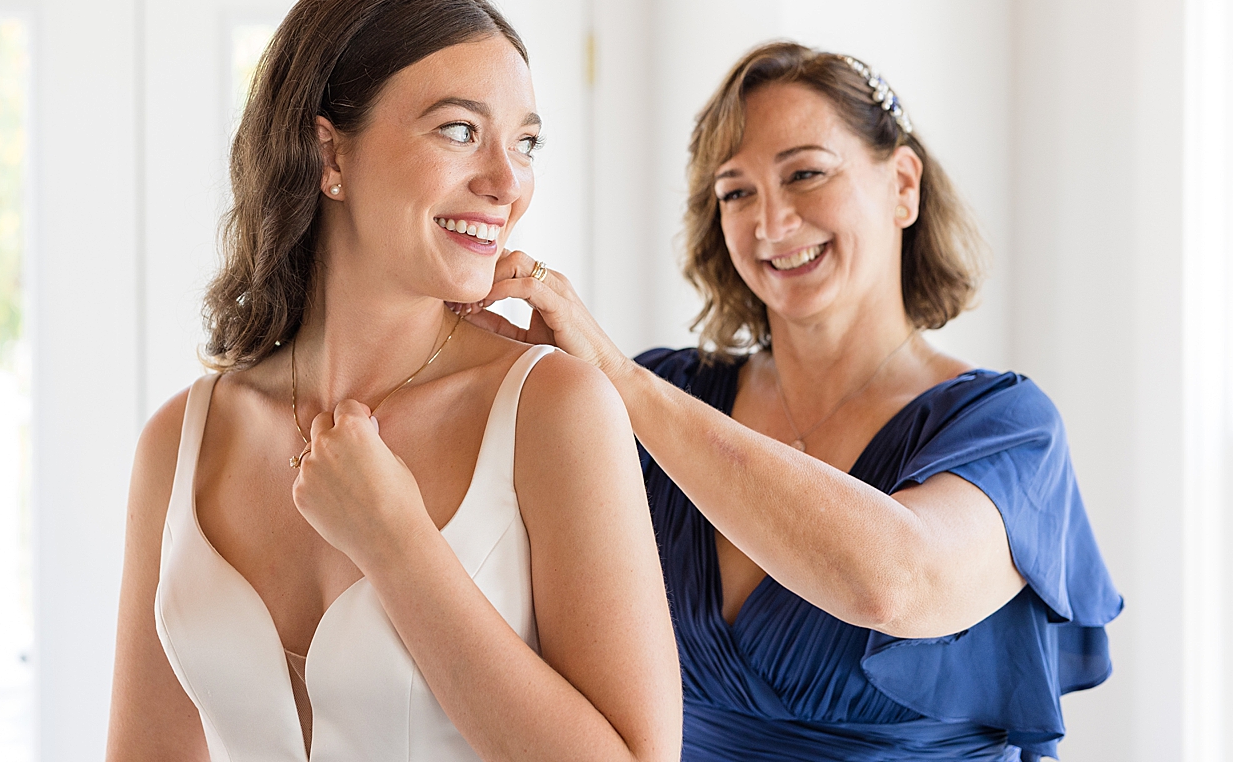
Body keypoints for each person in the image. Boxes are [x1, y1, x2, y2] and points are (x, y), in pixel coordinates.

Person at [461, 41, 1122, 761]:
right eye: (736, 192)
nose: (769, 225)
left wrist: (618, 381)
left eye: (805, 174)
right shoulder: (671, 393)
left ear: (903, 184)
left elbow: (899, 584)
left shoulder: (1005, 428)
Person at [105, 0, 681, 762]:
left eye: (526, 143)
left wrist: (398, 544)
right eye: (458, 130)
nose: (506, 182)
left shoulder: (553, 410)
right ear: (326, 153)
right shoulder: (182, 440)